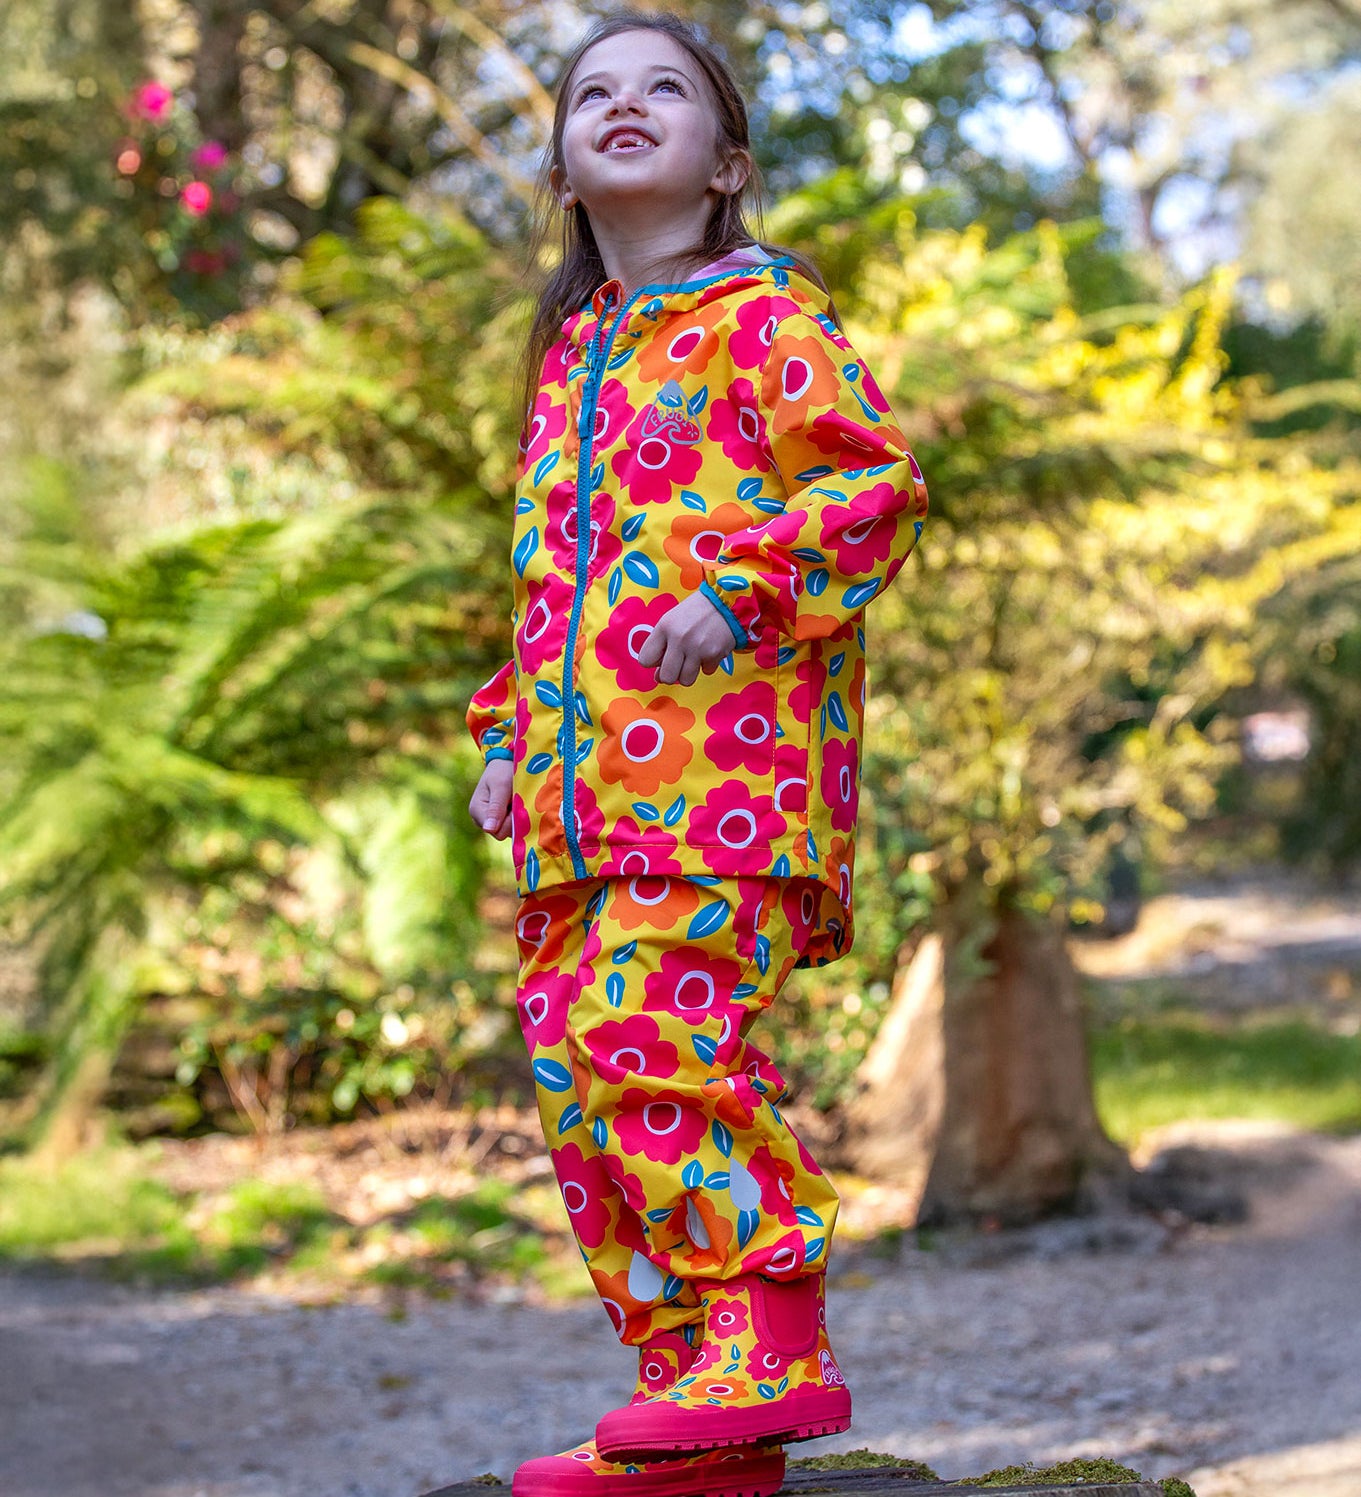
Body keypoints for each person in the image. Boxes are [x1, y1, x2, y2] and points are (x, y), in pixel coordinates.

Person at [465, 12, 928, 1497]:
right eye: (589, 90)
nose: (620, 103)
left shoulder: (764, 318)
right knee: (577, 1070)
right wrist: (503, 736)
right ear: (556, 170)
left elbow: (871, 491)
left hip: (722, 785)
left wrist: (738, 595)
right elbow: (554, 590)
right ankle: (693, 1404)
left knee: (646, 1035)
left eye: (660, 86)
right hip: (575, 802)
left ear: (724, 163)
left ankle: (769, 1326)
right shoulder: (572, 361)